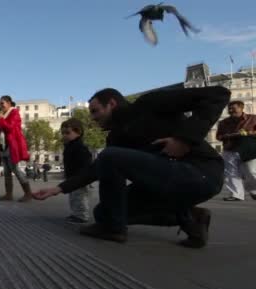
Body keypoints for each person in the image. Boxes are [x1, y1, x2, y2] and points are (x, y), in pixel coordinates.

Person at [33, 86, 230, 249]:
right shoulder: (115, 137)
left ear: (111, 103)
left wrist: (185, 140)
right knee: (104, 212)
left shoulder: (149, 104)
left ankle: (114, 230)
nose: (92, 118)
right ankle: (192, 218)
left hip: (201, 172)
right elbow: (96, 169)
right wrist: (58, 188)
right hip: (165, 180)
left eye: (95, 111)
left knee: (110, 158)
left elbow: (218, 94)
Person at [0, 95, 32, 202]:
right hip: (3, 145)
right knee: (6, 171)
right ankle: (9, 194)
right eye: (0, 103)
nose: (0, 105)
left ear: (9, 103)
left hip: (12, 145)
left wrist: (0, 119)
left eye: (2, 103)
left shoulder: (14, 113)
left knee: (15, 169)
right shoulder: (3, 114)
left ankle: (28, 193)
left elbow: (9, 127)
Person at [216, 100, 256, 201]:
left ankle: (254, 191)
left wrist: (249, 133)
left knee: (251, 171)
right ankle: (236, 194)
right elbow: (218, 136)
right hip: (230, 149)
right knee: (231, 173)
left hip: (248, 149)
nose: (230, 110)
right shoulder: (223, 122)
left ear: (241, 108)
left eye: (233, 108)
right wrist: (229, 136)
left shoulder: (253, 118)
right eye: (229, 108)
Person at [60, 118, 93, 224]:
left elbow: (86, 162)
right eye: (63, 133)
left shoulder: (80, 147)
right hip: (72, 177)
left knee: (80, 197)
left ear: (78, 132)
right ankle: (76, 214)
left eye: (67, 133)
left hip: (80, 178)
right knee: (73, 197)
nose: (64, 135)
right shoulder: (69, 146)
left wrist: (83, 176)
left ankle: (82, 216)